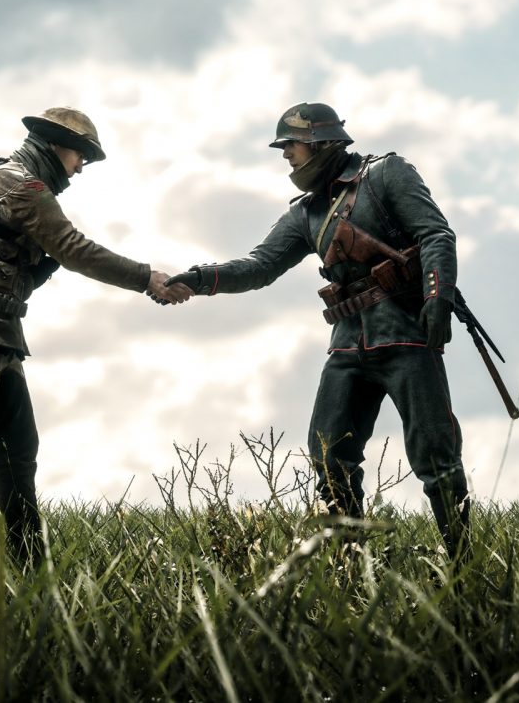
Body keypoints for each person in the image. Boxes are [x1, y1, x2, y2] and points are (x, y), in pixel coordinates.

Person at [167, 103, 470, 559]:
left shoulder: (387, 174)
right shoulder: (308, 213)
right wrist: (197, 277)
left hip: (405, 334)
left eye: (291, 145)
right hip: (348, 344)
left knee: (436, 456)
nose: (286, 155)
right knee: (328, 455)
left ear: (322, 142)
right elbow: (259, 267)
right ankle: (351, 565)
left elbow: (435, 236)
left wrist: (437, 297)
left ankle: (463, 562)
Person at [0, 107, 191, 559]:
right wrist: (145, 277)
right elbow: (74, 248)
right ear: (57, 146)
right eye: (81, 156)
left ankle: (30, 562)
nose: (82, 167)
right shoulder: (21, 186)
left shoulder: (10, 182)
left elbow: (39, 259)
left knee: (18, 451)